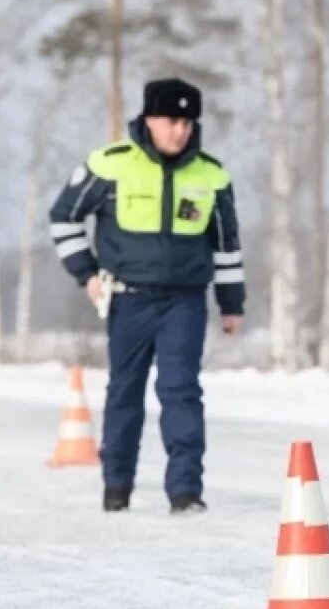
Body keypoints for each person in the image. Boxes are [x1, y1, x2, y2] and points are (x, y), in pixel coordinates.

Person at [48, 77, 246, 515]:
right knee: (125, 391)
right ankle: (116, 485)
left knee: (180, 390)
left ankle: (185, 491)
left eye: (188, 122)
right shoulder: (109, 165)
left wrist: (232, 304)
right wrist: (86, 275)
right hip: (128, 299)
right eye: (171, 120)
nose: (180, 130)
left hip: (185, 301)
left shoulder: (211, 175)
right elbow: (63, 218)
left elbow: (227, 245)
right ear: (150, 119)